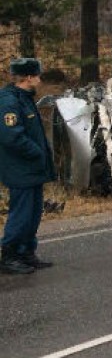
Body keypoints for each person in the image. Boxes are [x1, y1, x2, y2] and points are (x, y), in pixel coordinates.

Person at [0, 57, 57, 274]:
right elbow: (10, 136)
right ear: (29, 77)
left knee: (33, 213)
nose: (40, 79)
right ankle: (10, 255)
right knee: (21, 212)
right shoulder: (9, 101)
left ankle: (26, 252)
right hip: (20, 168)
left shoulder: (25, 98)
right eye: (38, 75)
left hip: (32, 168)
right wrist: (36, 152)